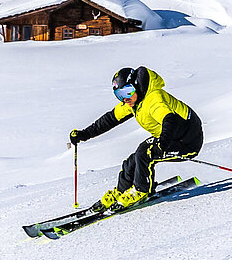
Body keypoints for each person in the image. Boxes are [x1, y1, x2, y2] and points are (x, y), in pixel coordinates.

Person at [70, 66, 204, 209]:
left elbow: (169, 119)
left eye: (127, 91)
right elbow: (109, 119)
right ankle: (122, 191)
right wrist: (84, 134)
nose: (125, 98)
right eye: (120, 94)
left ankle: (141, 190)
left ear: (136, 86)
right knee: (132, 161)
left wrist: (164, 142)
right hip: (169, 137)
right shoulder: (134, 101)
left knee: (145, 153)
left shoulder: (154, 98)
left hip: (187, 141)